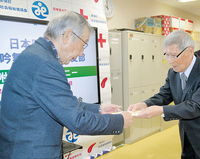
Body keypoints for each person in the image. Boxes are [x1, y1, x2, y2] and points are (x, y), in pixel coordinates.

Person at [0, 11, 133, 158]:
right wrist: (119, 121)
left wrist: (100, 109)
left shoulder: (37, 54)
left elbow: (61, 103)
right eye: (83, 45)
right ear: (67, 36)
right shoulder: (46, 65)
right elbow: (77, 121)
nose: (81, 54)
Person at [128, 30, 200, 159]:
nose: (170, 60)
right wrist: (145, 104)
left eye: (174, 55)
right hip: (187, 137)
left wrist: (160, 110)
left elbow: (196, 106)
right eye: (167, 55)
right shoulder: (173, 73)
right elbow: (164, 95)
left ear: (190, 51)